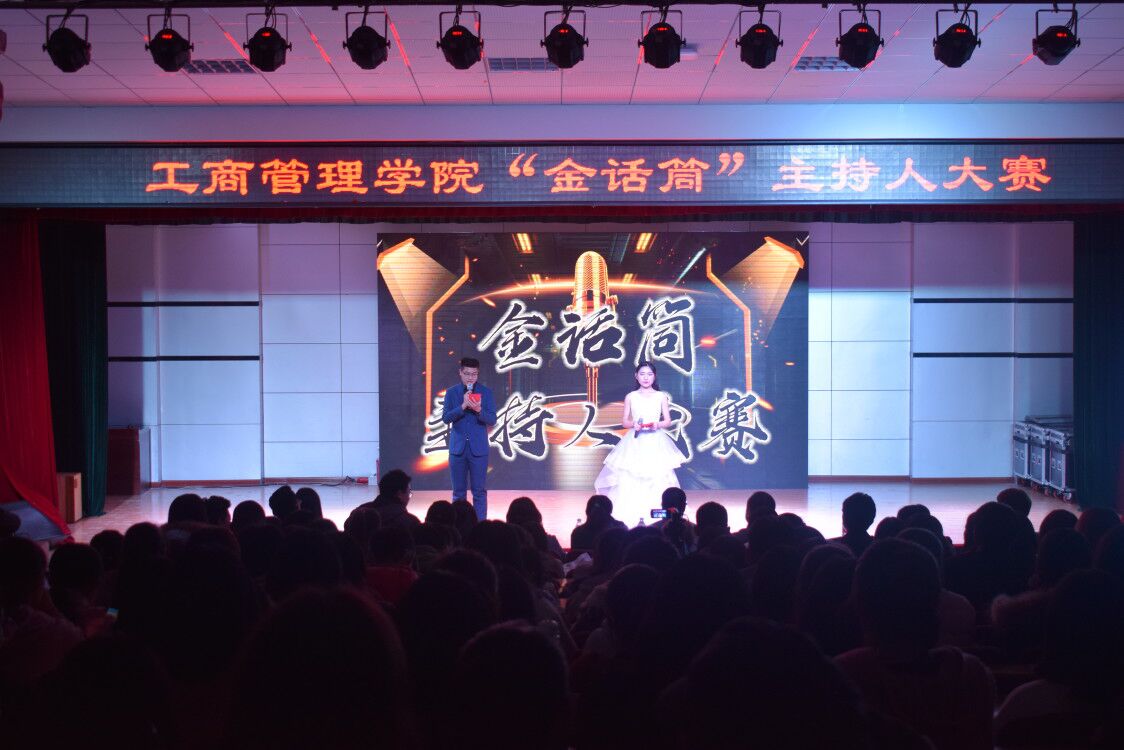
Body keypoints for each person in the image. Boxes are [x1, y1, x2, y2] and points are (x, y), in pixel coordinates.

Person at [594, 361, 685, 524]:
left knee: (657, 474)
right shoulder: (631, 396)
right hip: (635, 441)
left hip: (656, 440)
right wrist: (634, 424)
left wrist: (657, 424)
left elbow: (668, 421)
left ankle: (659, 513)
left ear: (654, 376)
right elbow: (625, 421)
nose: (646, 378)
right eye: (642, 374)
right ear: (636, 376)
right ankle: (632, 510)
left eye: (649, 374)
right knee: (631, 474)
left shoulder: (661, 396)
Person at [442, 357, 496, 520]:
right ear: (460, 373)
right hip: (457, 449)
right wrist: (463, 406)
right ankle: (459, 525)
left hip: (478, 450)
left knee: (479, 492)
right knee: (458, 493)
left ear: (478, 374)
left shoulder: (486, 393)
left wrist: (479, 410)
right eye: (467, 374)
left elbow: (492, 419)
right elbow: (446, 418)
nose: (470, 378)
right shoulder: (452, 393)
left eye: (474, 374)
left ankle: (480, 526)